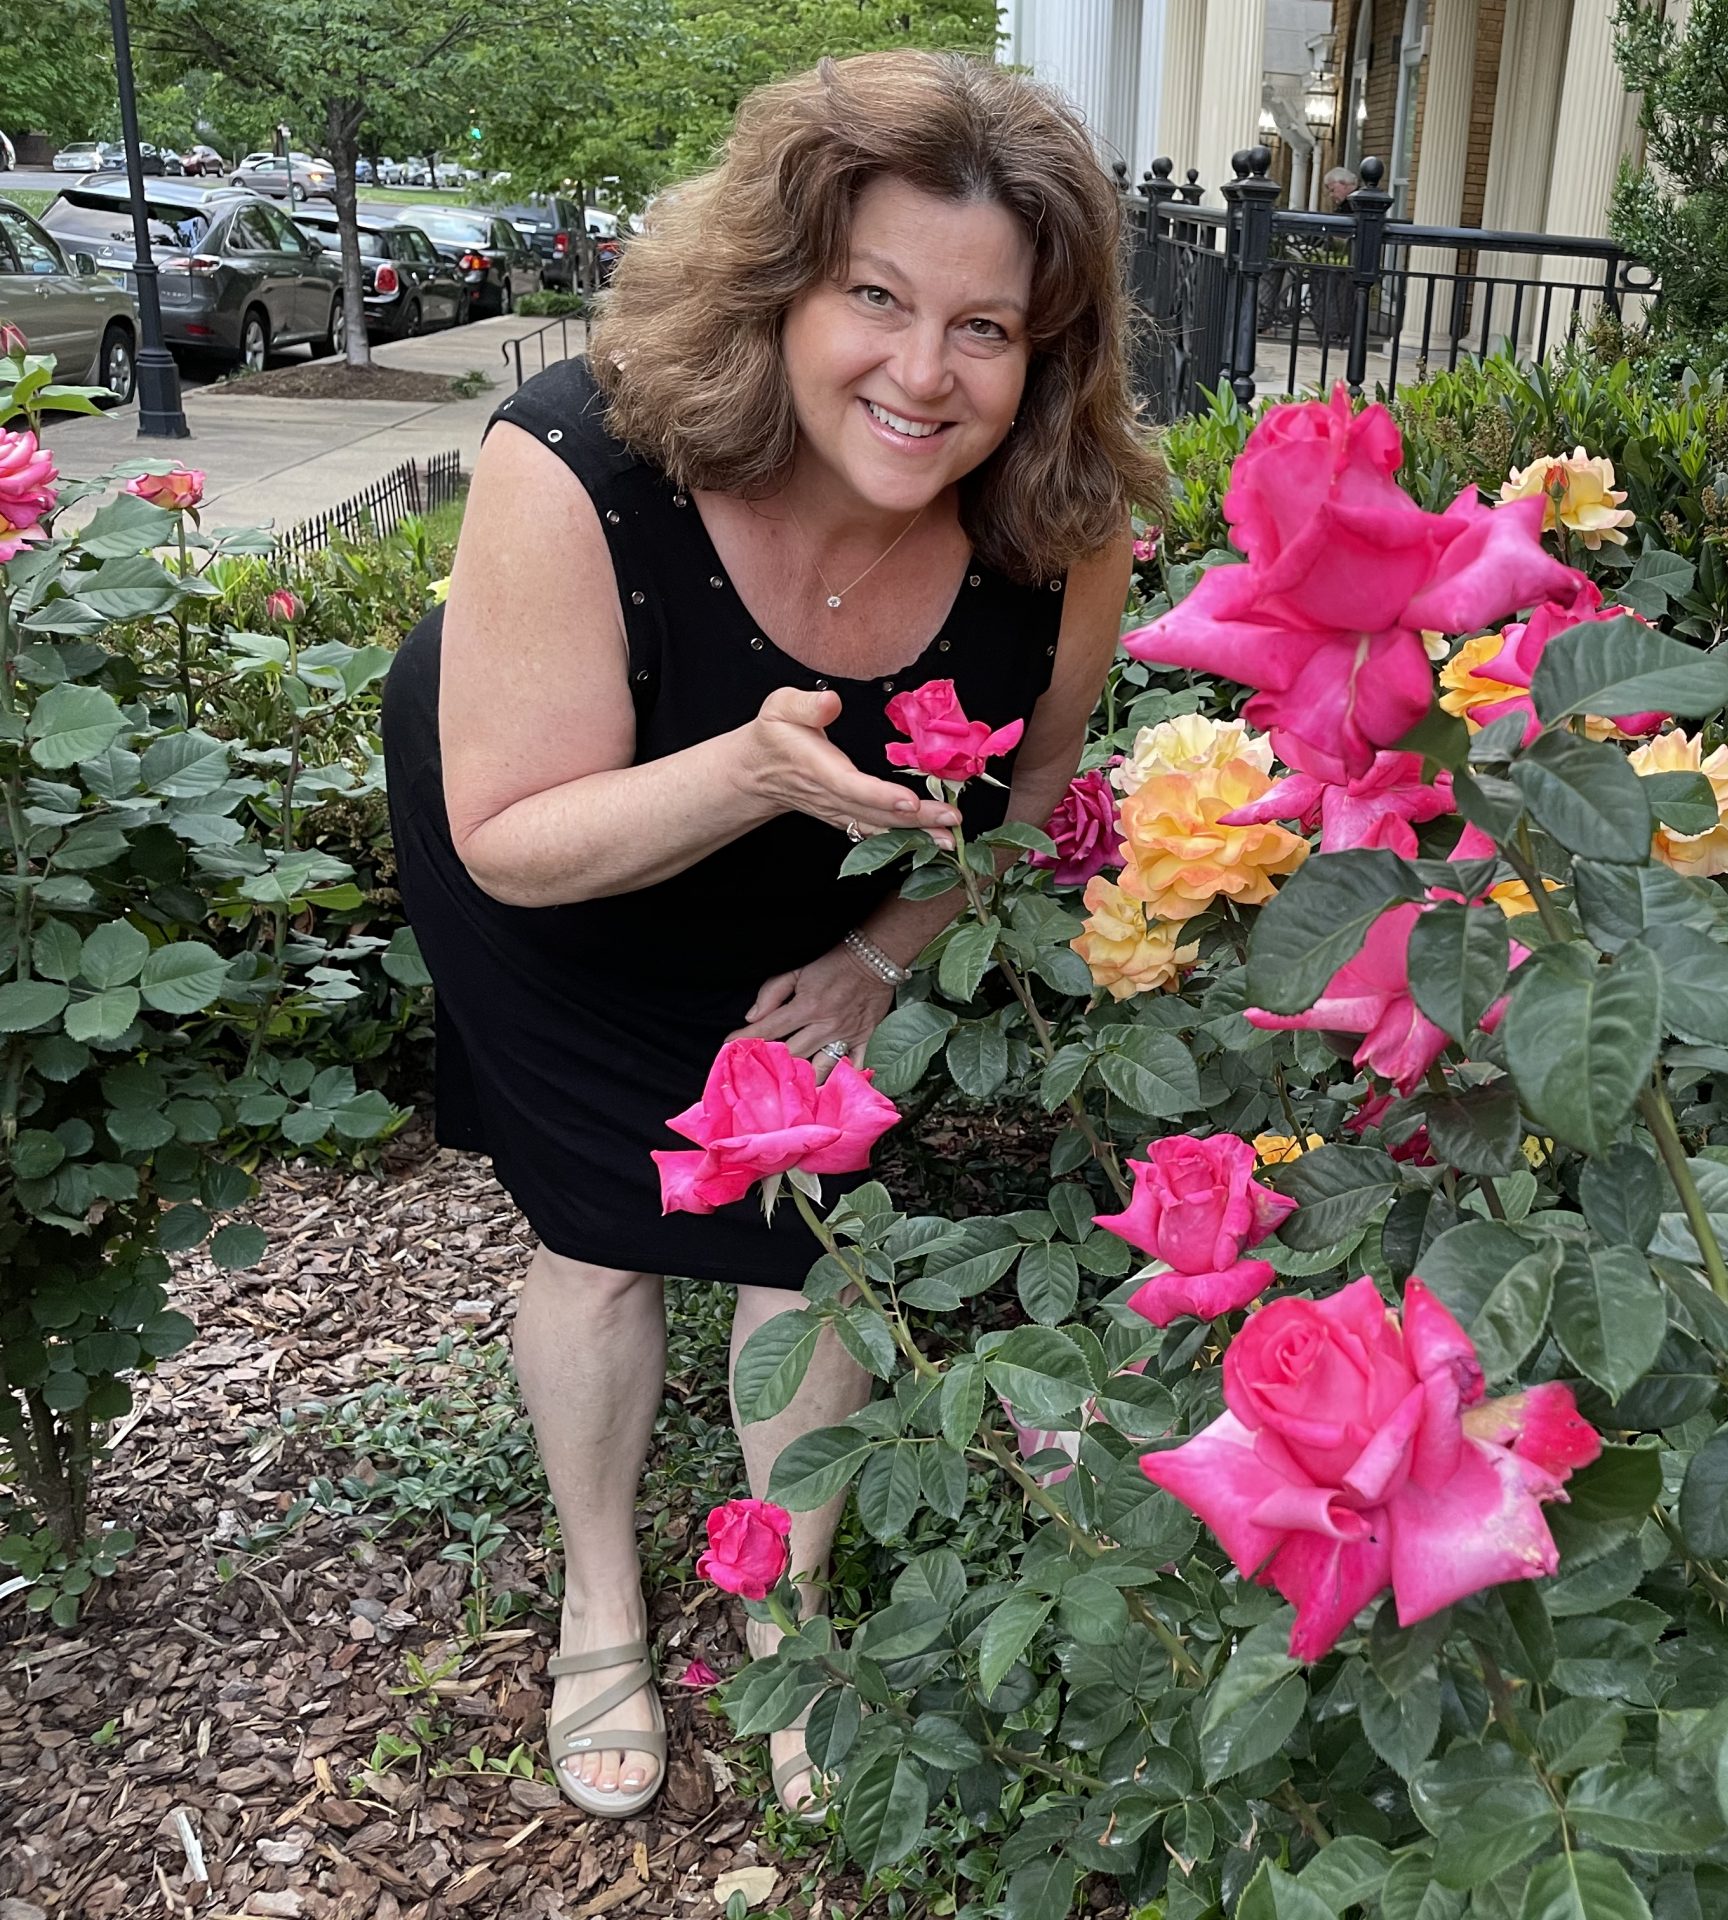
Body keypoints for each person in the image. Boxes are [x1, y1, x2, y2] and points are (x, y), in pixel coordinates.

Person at [381, 51, 1159, 1822]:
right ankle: (602, 1596)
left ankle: (792, 1617)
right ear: (782, 287)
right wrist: (745, 769)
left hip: (821, 872)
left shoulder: (1060, 523)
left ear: (1050, 351)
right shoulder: (578, 457)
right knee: (606, 1227)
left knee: (800, 1242)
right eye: (875, 297)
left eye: (989, 327)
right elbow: (512, 837)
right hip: (561, 842)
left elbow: (1030, 801)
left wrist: (887, 954)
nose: (922, 371)